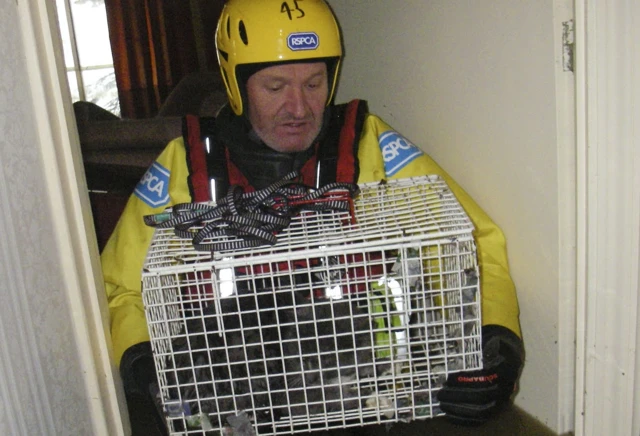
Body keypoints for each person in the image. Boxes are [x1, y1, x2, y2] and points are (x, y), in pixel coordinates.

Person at [101, 0, 524, 431]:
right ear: (237, 85)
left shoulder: (372, 146)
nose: (300, 109)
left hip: (357, 394)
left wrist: (497, 340)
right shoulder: (184, 164)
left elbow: (470, 240)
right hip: (226, 399)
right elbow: (119, 285)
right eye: (275, 87)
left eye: (315, 83)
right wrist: (138, 359)